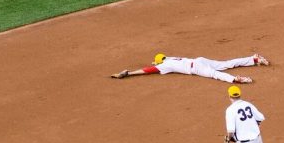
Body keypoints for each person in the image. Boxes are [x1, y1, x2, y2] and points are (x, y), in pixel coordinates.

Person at [111, 53, 269, 84]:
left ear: (158, 62)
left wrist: (130, 73)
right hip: (199, 59)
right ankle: (253, 59)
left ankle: (235, 79)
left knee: (215, 74)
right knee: (226, 63)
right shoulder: (170, 58)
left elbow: (147, 70)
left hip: (197, 67)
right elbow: (153, 65)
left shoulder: (165, 65)